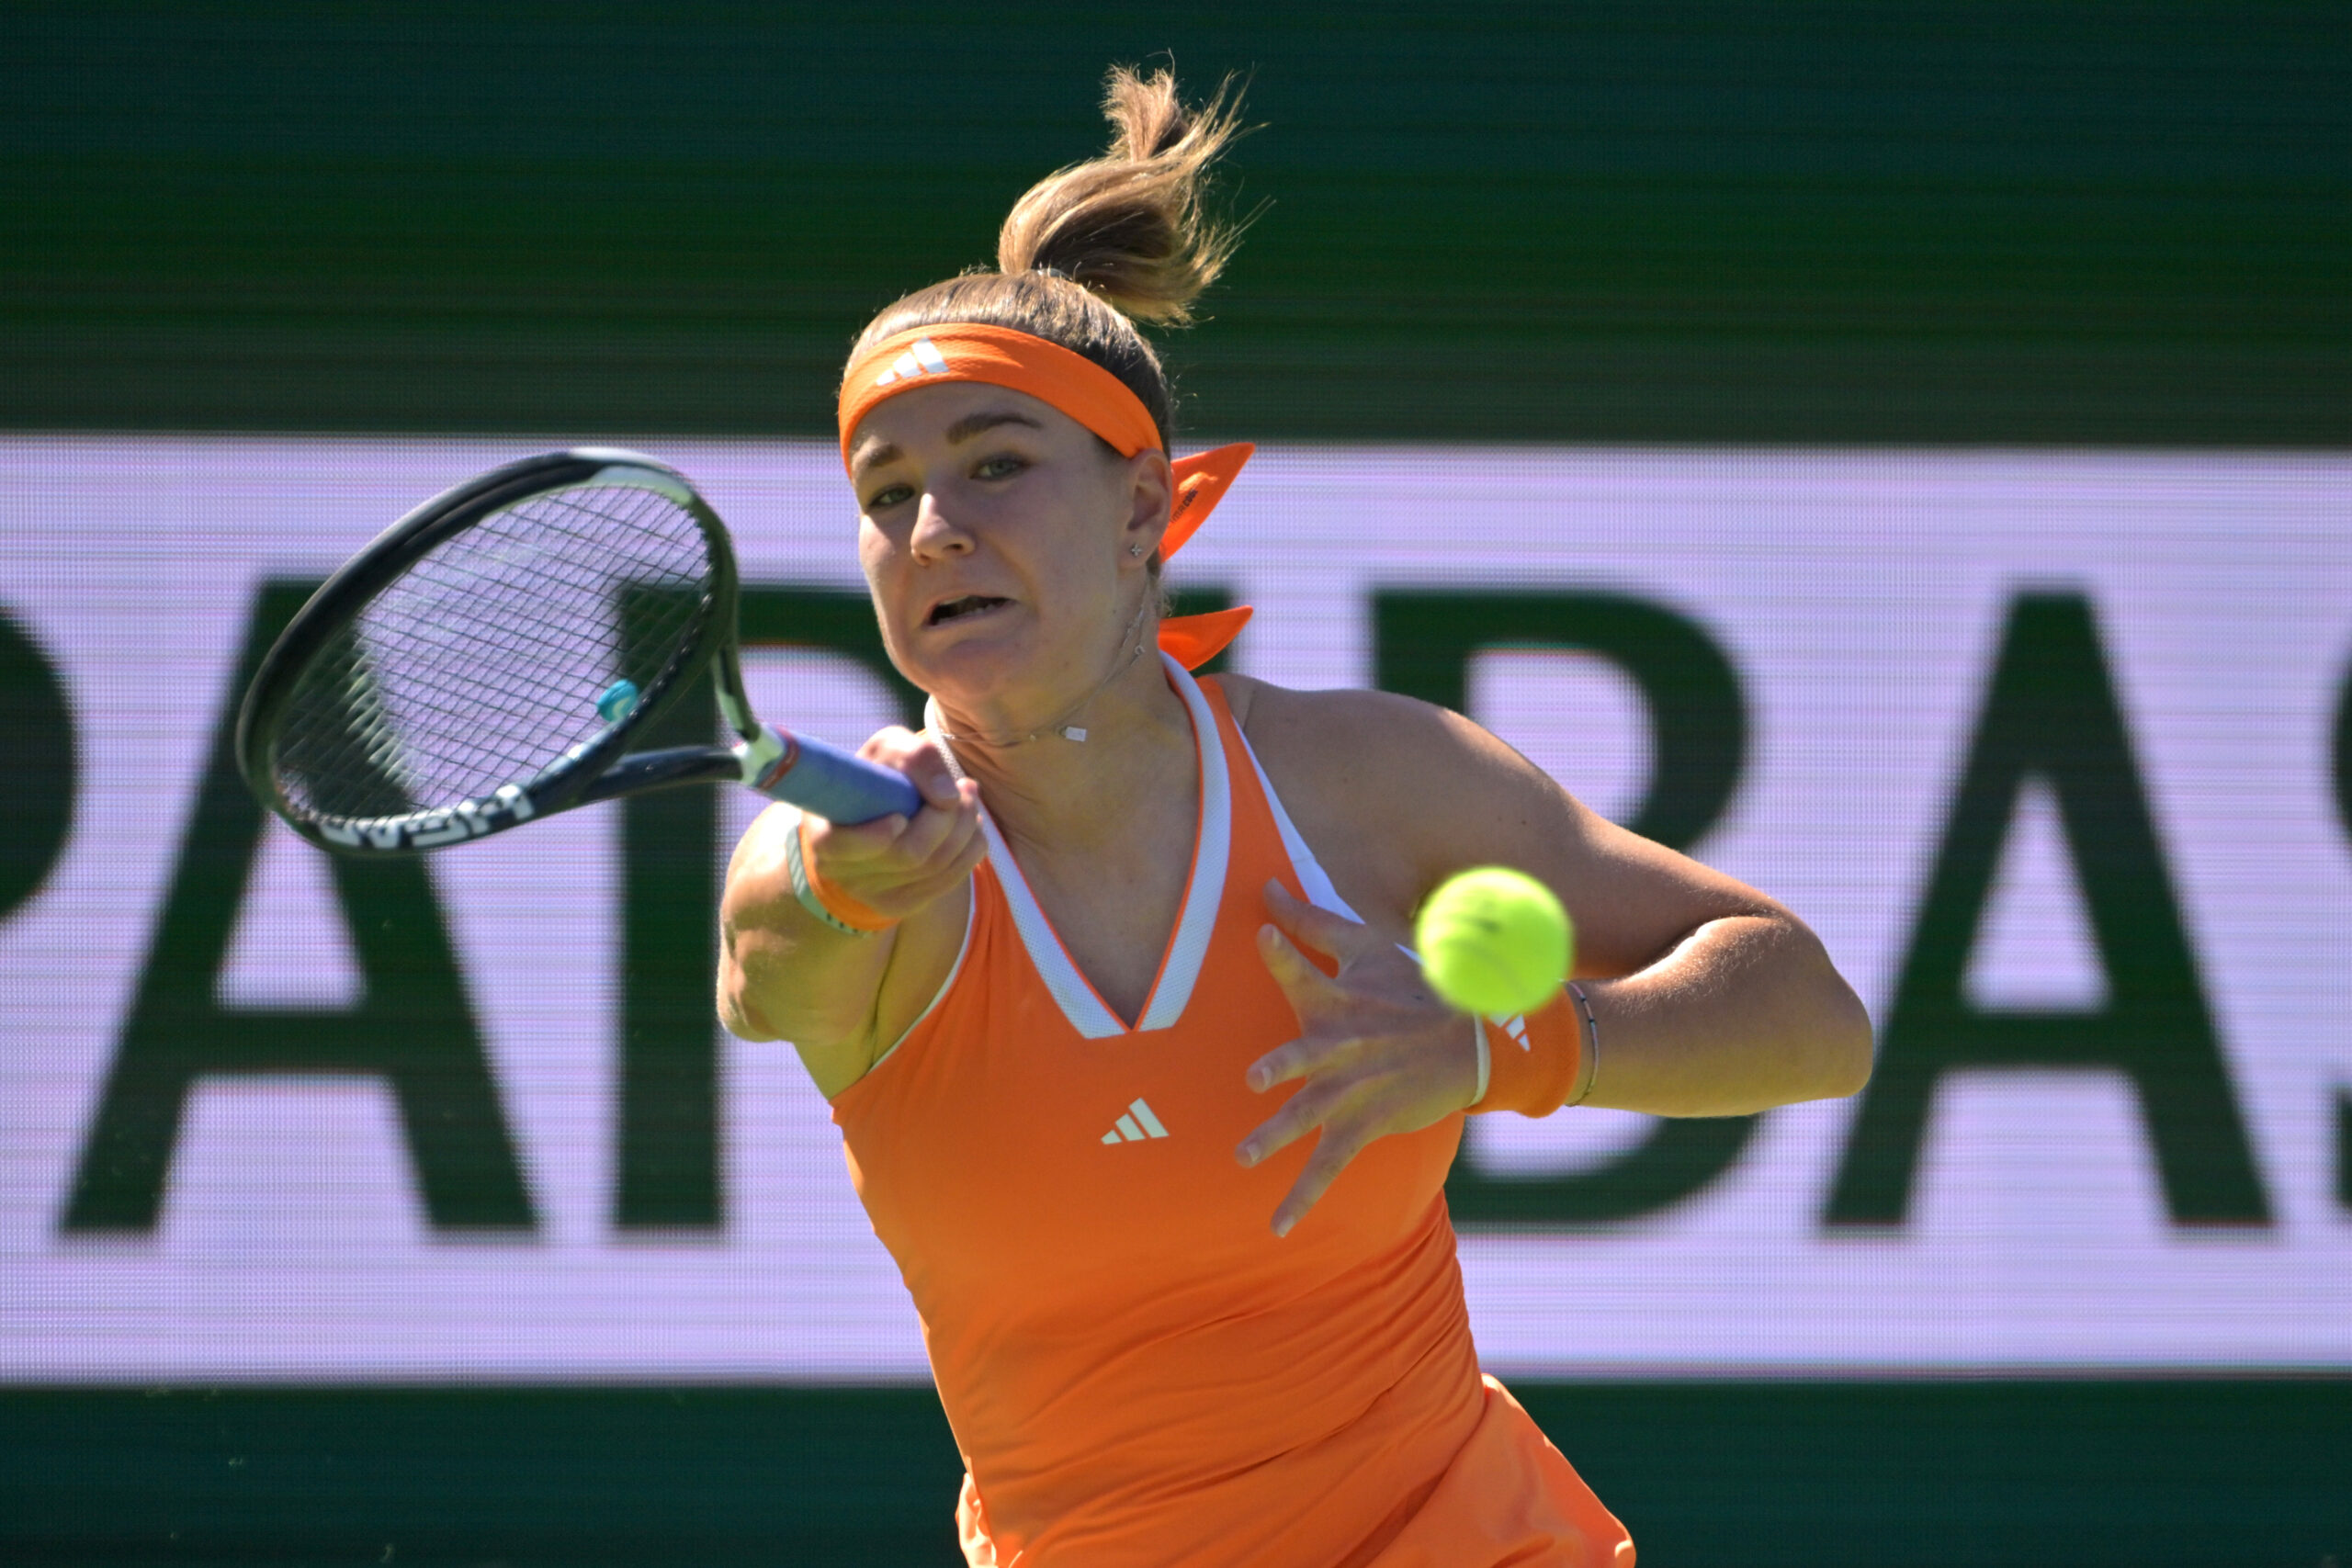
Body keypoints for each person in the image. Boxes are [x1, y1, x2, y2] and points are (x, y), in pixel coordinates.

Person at [718, 65, 1872, 1568]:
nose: (935, 528)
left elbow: (1813, 1017)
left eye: (998, 466)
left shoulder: (1366, 783)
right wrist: (837, 875)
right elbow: (768, 961)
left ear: (1146, 510)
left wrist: (1498, 1048)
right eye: (887, 493)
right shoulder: (856, 860)